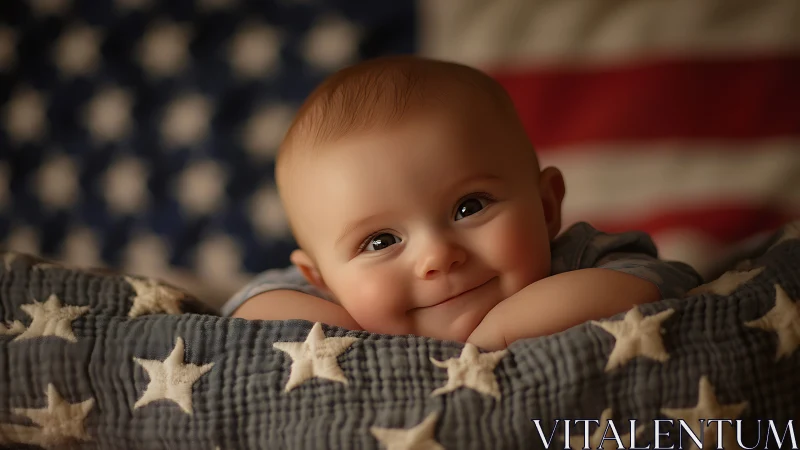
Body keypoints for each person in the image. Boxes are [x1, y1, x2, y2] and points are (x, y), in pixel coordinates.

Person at [221, 56, 701, 350]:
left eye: (469, 207)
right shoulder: (325, 299)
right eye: (381, 241)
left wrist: (502, 331)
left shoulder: (576, 262)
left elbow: (662, 282)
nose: (437, 256)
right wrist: (346, 329)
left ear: (547, 207)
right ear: (321, 279)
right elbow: (246, 315)